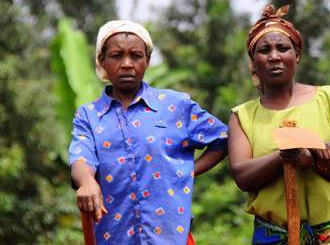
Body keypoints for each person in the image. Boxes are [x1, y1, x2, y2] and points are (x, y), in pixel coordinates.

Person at [68, 20, 228, 245]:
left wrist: (188, 171)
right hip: (114, 235)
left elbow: (221, 138)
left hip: (170, 236)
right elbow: (80, 157)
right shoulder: (89, 115)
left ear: (147, 61)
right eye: (116, 55)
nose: (126, 64)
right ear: (101, 61)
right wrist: (87, 182)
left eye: (135, 56)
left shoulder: (175, 105)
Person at [228, 4, 330, 245]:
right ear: (253, 62)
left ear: (297, 55)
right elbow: (242, 176)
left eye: (283, 48)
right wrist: (285, 155)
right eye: (264, 50)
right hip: (274, 234)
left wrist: (314, 159)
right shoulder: (243, 116)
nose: (274, 56)